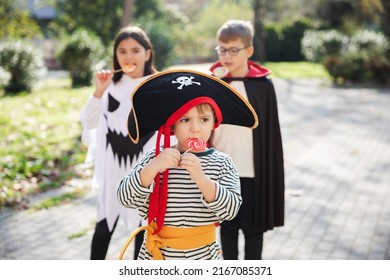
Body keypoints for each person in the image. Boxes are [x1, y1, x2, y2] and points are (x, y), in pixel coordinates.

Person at [117, 69, 259, 260]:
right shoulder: (156, 158)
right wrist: (152, 168)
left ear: (214, 124)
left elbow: (231, 210)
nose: (195, 128)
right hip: (157, 255)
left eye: (204, 119)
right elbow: (125, 198)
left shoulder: (222, 163)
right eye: (185, 119)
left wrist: (201, 179)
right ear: (172, 125)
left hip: (203, 256)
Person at [80, 25, 158, 260]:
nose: (128, 56)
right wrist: (99, 91)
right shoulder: (109, 85)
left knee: (141, 232)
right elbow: (89, 121)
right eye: (122, 51)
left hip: (144, 173)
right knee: (103, 229)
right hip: (113, 170)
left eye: (135, 50)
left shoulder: (158, 85)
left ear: (147, 53)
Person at [209, 19, 285, 260]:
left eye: (233, 50)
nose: (226, 55)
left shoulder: (262, 86)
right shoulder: (213, 84)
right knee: (227, 232)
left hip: (253, 172)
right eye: (222, 49)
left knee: (253, 233)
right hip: (221, 172)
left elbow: (269, 134)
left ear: (248, 51)